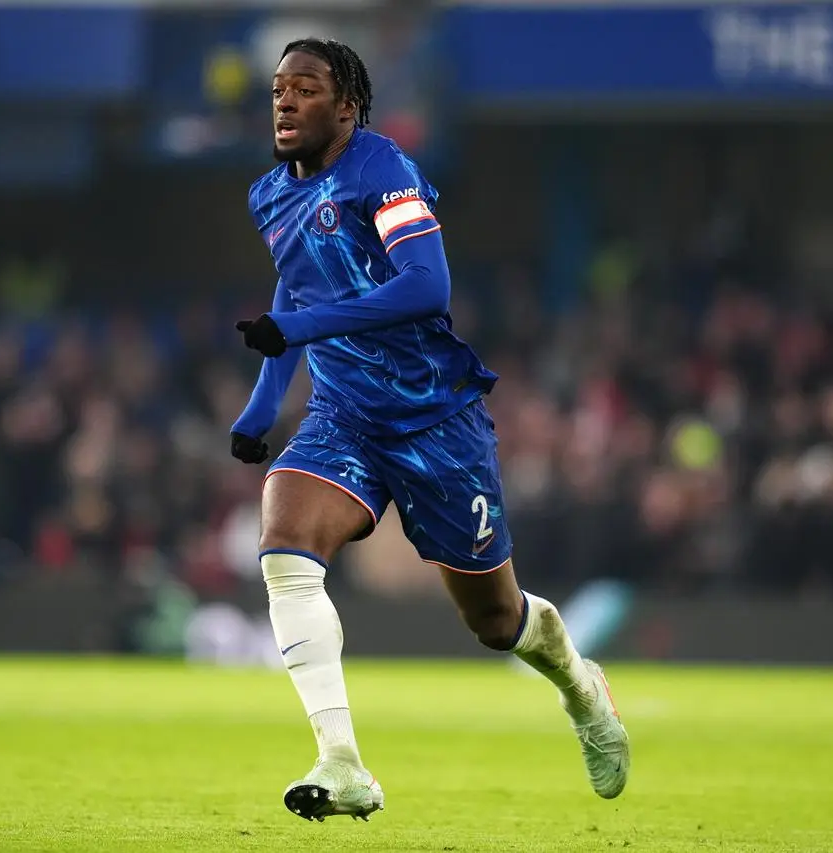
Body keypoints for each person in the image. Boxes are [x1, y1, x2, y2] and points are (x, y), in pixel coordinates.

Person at [230, 37, 630, 823]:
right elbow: (293, 293)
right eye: (278, 89)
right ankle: (342, 762)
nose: (285, 101)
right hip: (344, 416)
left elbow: (425, 286)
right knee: (284, 545)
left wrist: (301, 326)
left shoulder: (383, 168)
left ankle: (581, 685)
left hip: (435, 421)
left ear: (347, 106)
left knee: (496, 621)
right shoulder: (270, 195)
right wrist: (260, 408)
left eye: (306, 88)